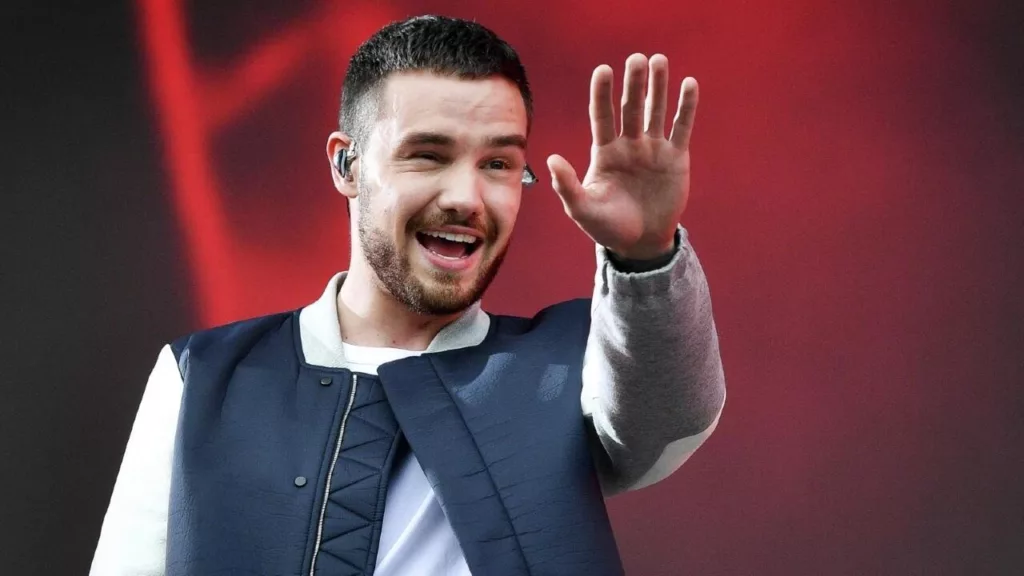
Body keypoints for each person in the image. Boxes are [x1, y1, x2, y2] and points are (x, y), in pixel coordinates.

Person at [90, 14, 726, 576]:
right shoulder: (200, 376)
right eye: (427, 155)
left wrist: (647, 253)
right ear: (346, 166)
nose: (466, 198)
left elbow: (669, 422)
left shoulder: (569, 363)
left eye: (498, 164)